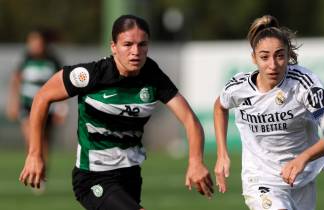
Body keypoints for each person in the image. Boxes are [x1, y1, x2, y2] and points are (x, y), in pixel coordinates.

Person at [19, 14, 213, 210]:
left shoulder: (153, 76)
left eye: (142, 44)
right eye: (127, 44)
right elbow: (42, 97)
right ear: (114, 47)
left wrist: (196, 161)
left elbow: (190, 120)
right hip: (94, 177)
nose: (135, 52)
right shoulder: (92, 75)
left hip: (130, 175)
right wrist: (35, 154)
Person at [213, 15, 324, 210]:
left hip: (302, 176)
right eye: (264, 57)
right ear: (254, 58)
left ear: (288, 55)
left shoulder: (304, 84)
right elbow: (220, 106)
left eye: (279, 55)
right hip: (260, 176)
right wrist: (222, 154)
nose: (273, 65)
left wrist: (303, 158)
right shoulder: (239, 87)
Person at [6, 29, 65, 185]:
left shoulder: (53, 61)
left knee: (45, 141)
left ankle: (41, 171)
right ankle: (31, 166)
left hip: (49, 107)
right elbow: (16, 81)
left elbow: (62, 86)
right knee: (31, 137)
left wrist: (62, 108)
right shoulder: (25, 60)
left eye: (38, 42)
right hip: (28, 105)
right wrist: (13, 103)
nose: (35, 45)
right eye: (32, 42)